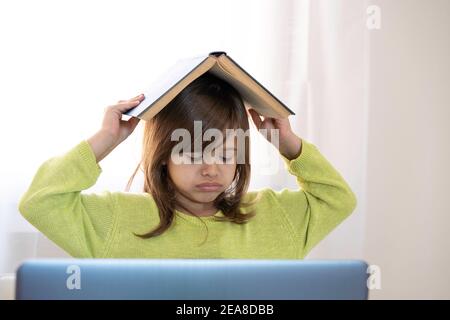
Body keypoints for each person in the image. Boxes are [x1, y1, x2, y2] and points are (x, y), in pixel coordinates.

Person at [18, 72, 357, 259]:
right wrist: (105, 139)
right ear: (163, 155)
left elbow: (338, 200)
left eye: (225, 154)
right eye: (193, 154)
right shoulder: (116, 219)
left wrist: (290, 146)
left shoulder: (274, 216)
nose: (211, 169)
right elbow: (40, 203)